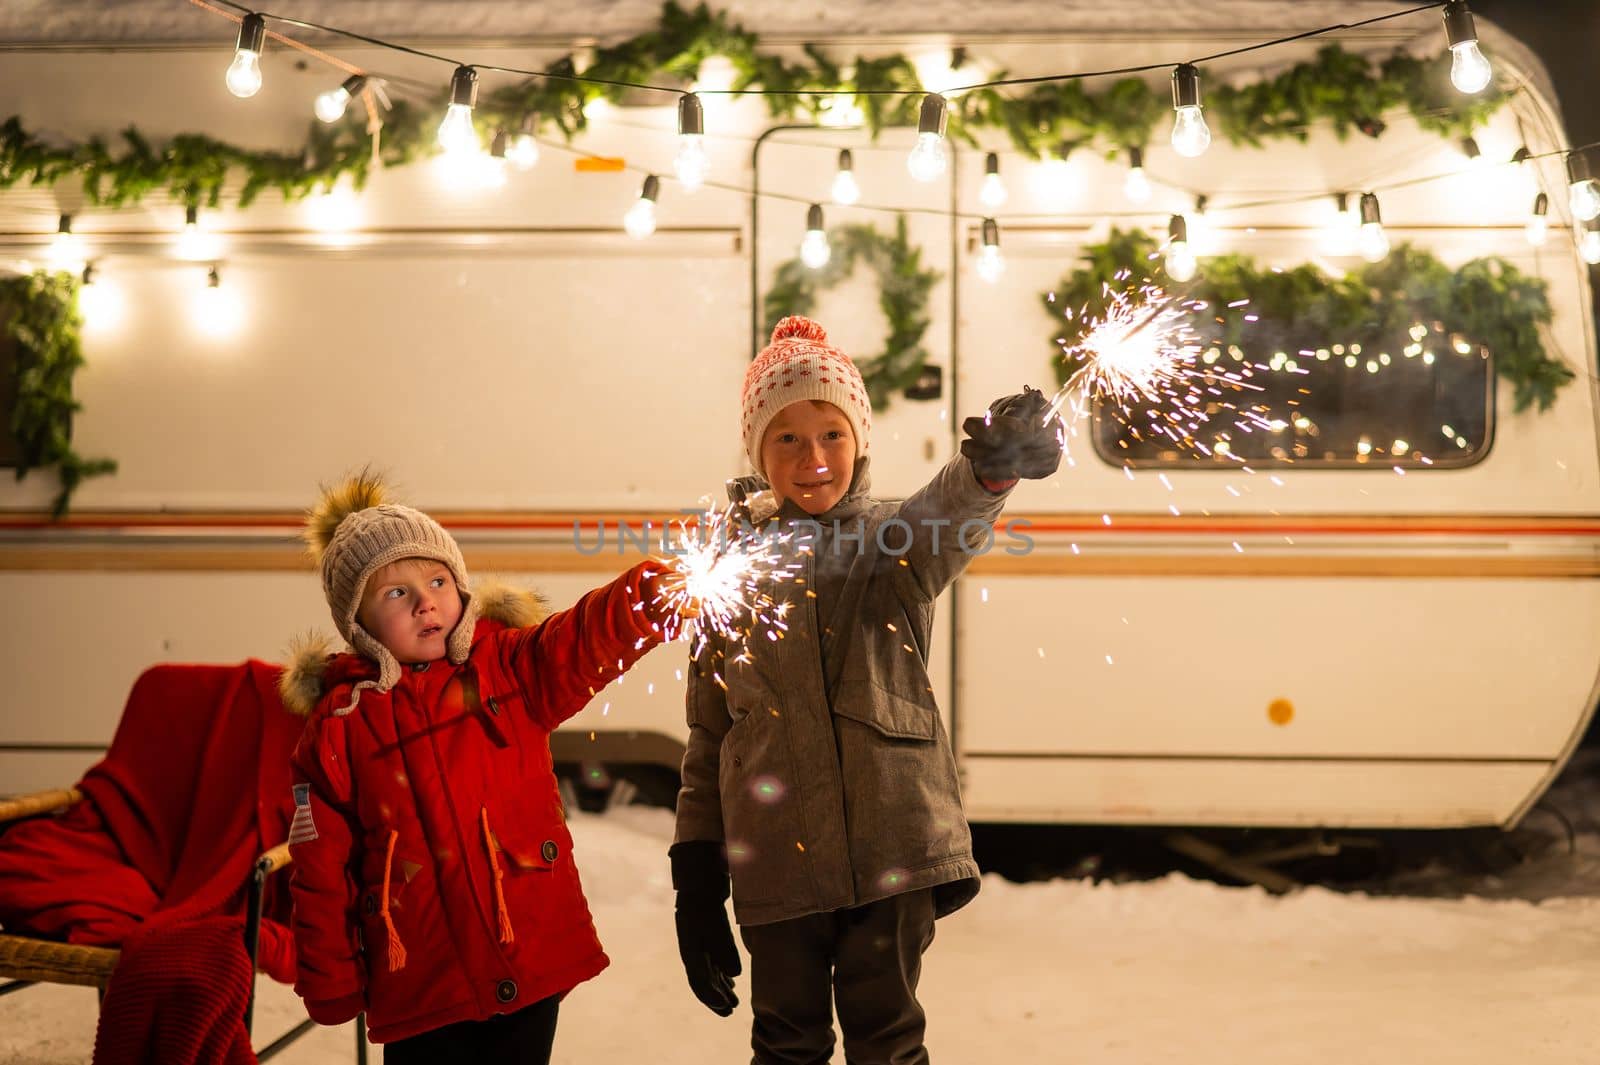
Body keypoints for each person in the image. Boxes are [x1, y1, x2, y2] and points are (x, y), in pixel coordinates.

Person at [670, 316, 1063, 1064]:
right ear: (756, 450)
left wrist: (990, 473)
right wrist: (697, 874)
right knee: (787, 1043)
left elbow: (948, 514)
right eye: (786, 438)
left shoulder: (893, 544)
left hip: (892, 850)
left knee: (887, 1039)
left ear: (860, 441)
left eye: (831, 434)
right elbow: (709, 733)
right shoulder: (727, 571)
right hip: (775, 860)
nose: (812, 458)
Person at [281, 470, 684, 1063]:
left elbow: (581, 639)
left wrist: (647, 596)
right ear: (358, 624)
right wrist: (330, 977)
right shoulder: (340, 729)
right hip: (420, 977)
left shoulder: (511, 668)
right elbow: (319, 869)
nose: (426, 602)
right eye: (396, 593)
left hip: (527, 952)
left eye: (437, 580)